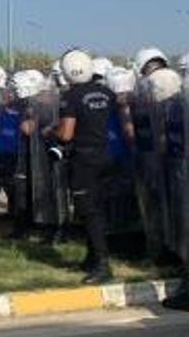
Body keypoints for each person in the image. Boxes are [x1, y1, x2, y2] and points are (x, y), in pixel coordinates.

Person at [50, 48, 133, 285]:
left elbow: (66, 134)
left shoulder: (71, 96)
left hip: (85, 159)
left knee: (89, 211)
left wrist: (51, 131)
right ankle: (92, 256)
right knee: (98, 209)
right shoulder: (106, 92)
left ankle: (102, 264)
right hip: (108, 155)